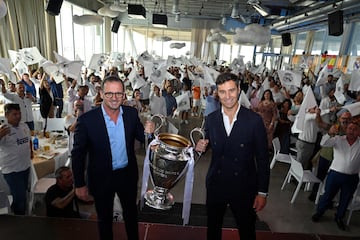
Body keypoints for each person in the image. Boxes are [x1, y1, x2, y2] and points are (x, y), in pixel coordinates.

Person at [71, 75, 155, 240]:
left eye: (118, 94)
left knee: (131, 215)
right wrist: (79, 184)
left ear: (124, 95)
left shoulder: (131, 114)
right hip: (101, 177)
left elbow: (144, 140)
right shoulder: (87, 120)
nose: (114, 98)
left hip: (127, 175)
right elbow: (77, 154)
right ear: (101, 93)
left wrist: (150, 134)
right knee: (105, 219)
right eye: (109, 93)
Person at [195, 72, 270, 240]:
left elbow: (263, 159)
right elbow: (207, 143)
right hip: (217, 184)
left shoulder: (254, 120)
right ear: (217, 93)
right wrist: (201, 146)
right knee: (213, 230)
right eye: (222, 92)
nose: (227, 96)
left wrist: (262, 192)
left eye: (231, 90)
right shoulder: (211, 119)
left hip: (244, 187)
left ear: (239, 90)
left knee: (247, 230)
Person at [312, 121, 360, 231]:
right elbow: (323, 143)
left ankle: (339, 217)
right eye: (350, 128)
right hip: (335, 174)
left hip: (352, 177)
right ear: (346, 129)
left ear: (359, 131)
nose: (352, 131)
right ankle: (319, 212)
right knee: (328, 195)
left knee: (346, 198)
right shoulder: (338, 139)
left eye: (355, 129)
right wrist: (329, 133)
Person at [0, 103, 32, 215]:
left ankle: (17, 214)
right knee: (20, 198)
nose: (18, 116)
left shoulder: (24, 126)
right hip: (12, 170)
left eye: (19, 113)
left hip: (25, 167)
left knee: (22, 195)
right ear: (7, 115)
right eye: (14, 114)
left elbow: (29, 140)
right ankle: (20, 221)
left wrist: (31, 152)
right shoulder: (3, 130)